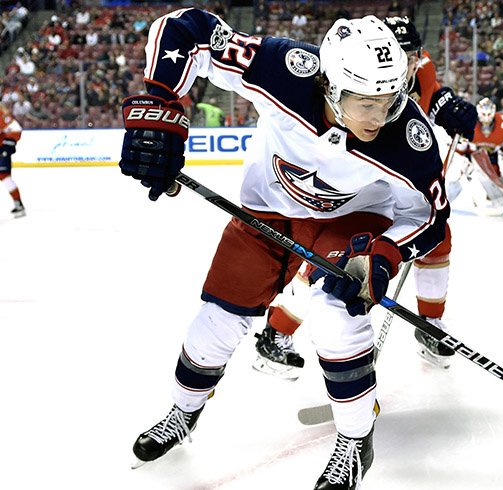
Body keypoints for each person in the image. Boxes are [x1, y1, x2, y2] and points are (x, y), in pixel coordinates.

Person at [119, 10, 449, 489]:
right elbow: (185, 29)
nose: (382, 117)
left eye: (391, 99)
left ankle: (356, 439)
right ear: (331, 88)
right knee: (214, 326)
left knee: (338, 317)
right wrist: (160, 109)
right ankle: (182, 412)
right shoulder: (284, 69)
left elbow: (430, 219)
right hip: (266, 213)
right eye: (367, 104)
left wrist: (383, 257)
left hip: (351, 222)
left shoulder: (409, 139)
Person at [251, 15, 476, 372]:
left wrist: (452, 107)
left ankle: (431, 324)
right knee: (330, 260)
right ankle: (277, 330)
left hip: (399, 186)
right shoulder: (356, 74)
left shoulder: (420, 71)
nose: (406, 66)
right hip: (353, 188)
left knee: (437, 238)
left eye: (413, 55)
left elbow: (432, 101)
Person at [455, 97, 503, 213]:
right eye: (484, 114)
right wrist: (462, 163)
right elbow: (459, 151)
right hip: (472, 164)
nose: (486, 118)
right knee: (456, 178)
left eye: (489, 114)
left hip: (493, 162)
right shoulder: (468, 123)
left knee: (502, 199)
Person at [0, 103, 24, 218]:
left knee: (4, 175)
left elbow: (16, 128)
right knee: (4, 176)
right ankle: (18, 204)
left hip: (3, 148)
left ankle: (18, 204)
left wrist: (8, 145)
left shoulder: (2, 114)